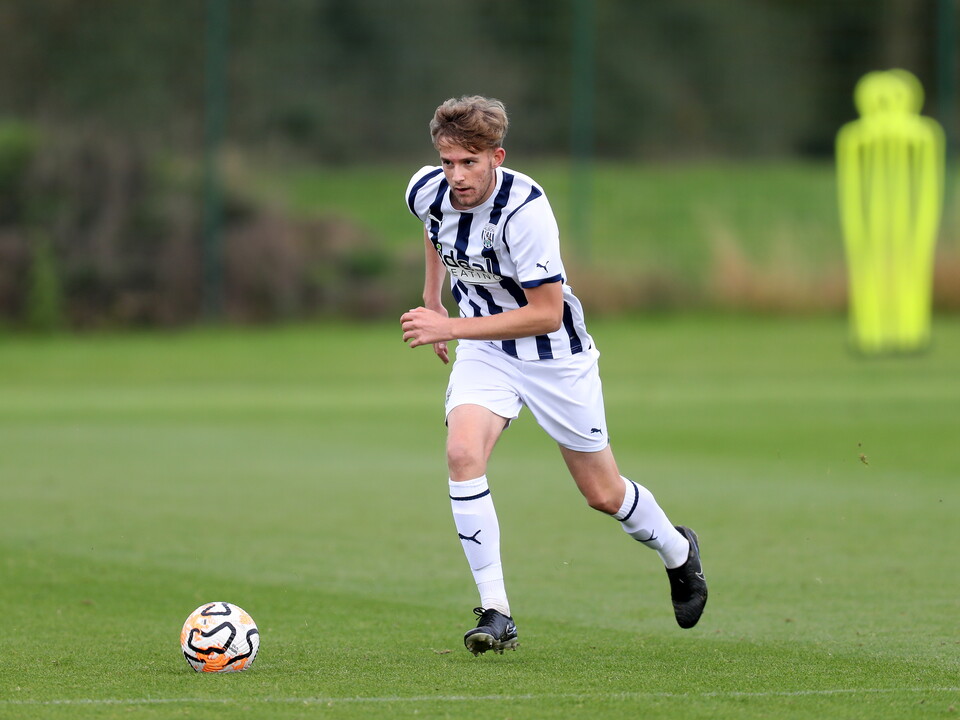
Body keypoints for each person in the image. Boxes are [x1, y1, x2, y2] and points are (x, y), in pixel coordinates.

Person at [400, 95, 707, 656]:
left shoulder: (526, 210)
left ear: (497, 157)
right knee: (462, 453)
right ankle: (496, 611)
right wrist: (433, 297)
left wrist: (450, 328)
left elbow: (545, 312)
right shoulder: (427, 189)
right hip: (486, 351)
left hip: (553, 356)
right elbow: (434, 229)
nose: (456, 176)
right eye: (448, 162)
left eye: (469, 163)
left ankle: (677, 551)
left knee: (603, 493)